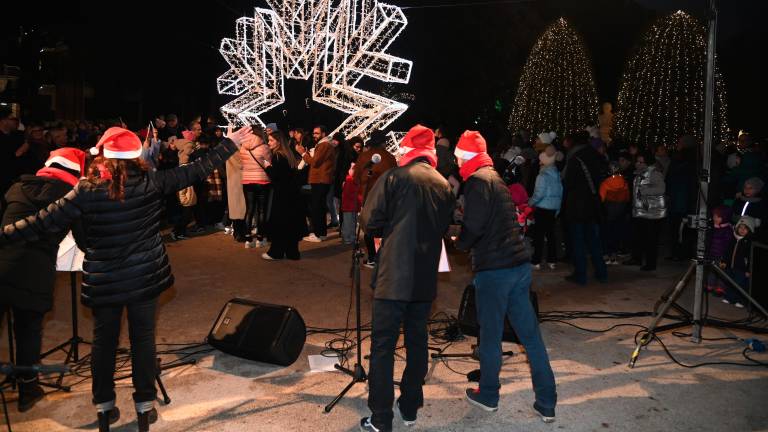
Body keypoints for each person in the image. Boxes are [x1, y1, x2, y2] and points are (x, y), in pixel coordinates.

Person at [0, 126, 253, 432]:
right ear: (136, 156)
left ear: (104, 155)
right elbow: (197, 169)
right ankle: (145, 406)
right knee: (142, 341)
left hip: (105, 280)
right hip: (144, 278)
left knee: (103, 344)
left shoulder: (85, 189)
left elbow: (40, 223)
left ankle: (105, 409)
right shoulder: (150, 181)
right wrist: (229, 143)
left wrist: (5, 234)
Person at [452, 130, 557, 423]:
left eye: (460, 155)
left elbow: (473, 227)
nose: (457, 160)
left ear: (467, 155)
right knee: (531, 337)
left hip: (495, 271)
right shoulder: (496, 178)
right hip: (518, 267)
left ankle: (488, 394)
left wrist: (458, 244)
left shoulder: (475, 182)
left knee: (490, 335)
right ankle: (546, 402)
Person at [359, 125, 454, 432]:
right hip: (424, 278)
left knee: (383, 347)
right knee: (417, 342)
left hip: (392, 277)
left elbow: (369, 219)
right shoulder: (443, 185)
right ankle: (410, 407)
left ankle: (381, 418)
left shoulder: (394, 177)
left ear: (407, 151)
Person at [0, 148, 87, 412]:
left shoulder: (17, 187)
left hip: (2, 263)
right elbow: (84, 240)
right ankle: (28, 389)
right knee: (27, 331)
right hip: (34, 272)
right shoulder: (70, 198)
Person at [561, 130, 608, 285]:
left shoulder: (575, 158)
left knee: (578, 241)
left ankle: (581, 275)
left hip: (576, 205)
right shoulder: (595, 156)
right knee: (594, 241)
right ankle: (601, 273)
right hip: (592, 204)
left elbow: (568, 182)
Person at [353, 131, 397, 267]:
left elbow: (356, 178)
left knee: (369, 227)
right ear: (383, 143)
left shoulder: (364, 156)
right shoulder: (390, 157)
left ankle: (372, 258)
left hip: (369, 197)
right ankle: (383, 257)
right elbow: (396, 178)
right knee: (385, 227)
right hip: (386, 197)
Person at [260, 131, 304, 260]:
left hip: (282, 195)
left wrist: (267, 167)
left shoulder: (277, 156)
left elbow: (276, 176)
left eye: (271, 140)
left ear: (279, 142)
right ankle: (292, 252)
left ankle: (276, 252)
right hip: (293, 195)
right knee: (290, 223)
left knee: (280, 223)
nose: (269, 143)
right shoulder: (288, 154)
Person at [625, 152, 667, 271]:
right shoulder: (639, 174)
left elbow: (661, 189)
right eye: (637, 161)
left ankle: (650, 263)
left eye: (641, 162)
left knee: (650, 239)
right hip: (640, 212)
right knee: (638, 236)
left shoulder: (654, 174)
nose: (637, 164)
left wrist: (645, 191)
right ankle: (637, 258)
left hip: (652, 214)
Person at [296, 126, 338, 242]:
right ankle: (321, 233)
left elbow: (315, 162)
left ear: (323, 134)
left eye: (317, 133)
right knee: (319, 206)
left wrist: (303, 153)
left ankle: (318, 234)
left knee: (317, 207)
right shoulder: (326, 144)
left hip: (320, 179)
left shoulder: (324, 145)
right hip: (322, 179)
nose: (314, 135)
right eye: (314, 133)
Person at [529, 145, 563, 270]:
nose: (539, 162)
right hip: (552, 208)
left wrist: (530, 202)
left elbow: (539, 193)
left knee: (539, 235)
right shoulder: (557, 175)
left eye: (540, 160)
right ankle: (552, 260)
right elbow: (560, 192)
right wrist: (558, 208)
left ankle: (536, 260)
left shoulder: (542, 176)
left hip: (542, 208)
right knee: (551, 234)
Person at [241, 128, 272, 248]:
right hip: (262, 181)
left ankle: (248, 239)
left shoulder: (243, 147)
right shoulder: (264, 147)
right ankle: (260, 238)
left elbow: (241, 163)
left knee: (249, 210)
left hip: (247, 181)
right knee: (261, 210)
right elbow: (269, 162)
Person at [721, 216, 757, 308]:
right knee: (729, 282)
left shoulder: (749, 242)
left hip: (741, 268)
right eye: (740, 227)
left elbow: (751, 257)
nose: (742, 230)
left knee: (740, 285)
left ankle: (741, 300)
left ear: (750, 230)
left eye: (745, 228)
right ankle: (729, 298)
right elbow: (727, 251)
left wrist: (749, 270)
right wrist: (724, 261)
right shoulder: (733, 238)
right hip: (730, 266)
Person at [599, 162, 630, 265]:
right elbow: (627, 197)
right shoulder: (624, 182)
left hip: (608, 212)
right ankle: (614, 256)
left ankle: (605, 255)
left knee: (605, 233)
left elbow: (601, 199)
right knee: (616, 233)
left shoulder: (605, 183)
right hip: (620, 212)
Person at [706, 206, 733, 296]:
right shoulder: (713, 227)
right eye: (714, 216)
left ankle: (720, 288)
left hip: (722, 255)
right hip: (712, 253)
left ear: (724, 218)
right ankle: (710, 285)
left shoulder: (728, 230)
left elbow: (729, 245)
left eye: (718, 217)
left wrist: (725, 257)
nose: (715, 218)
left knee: (721, 272)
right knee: (712, 270)